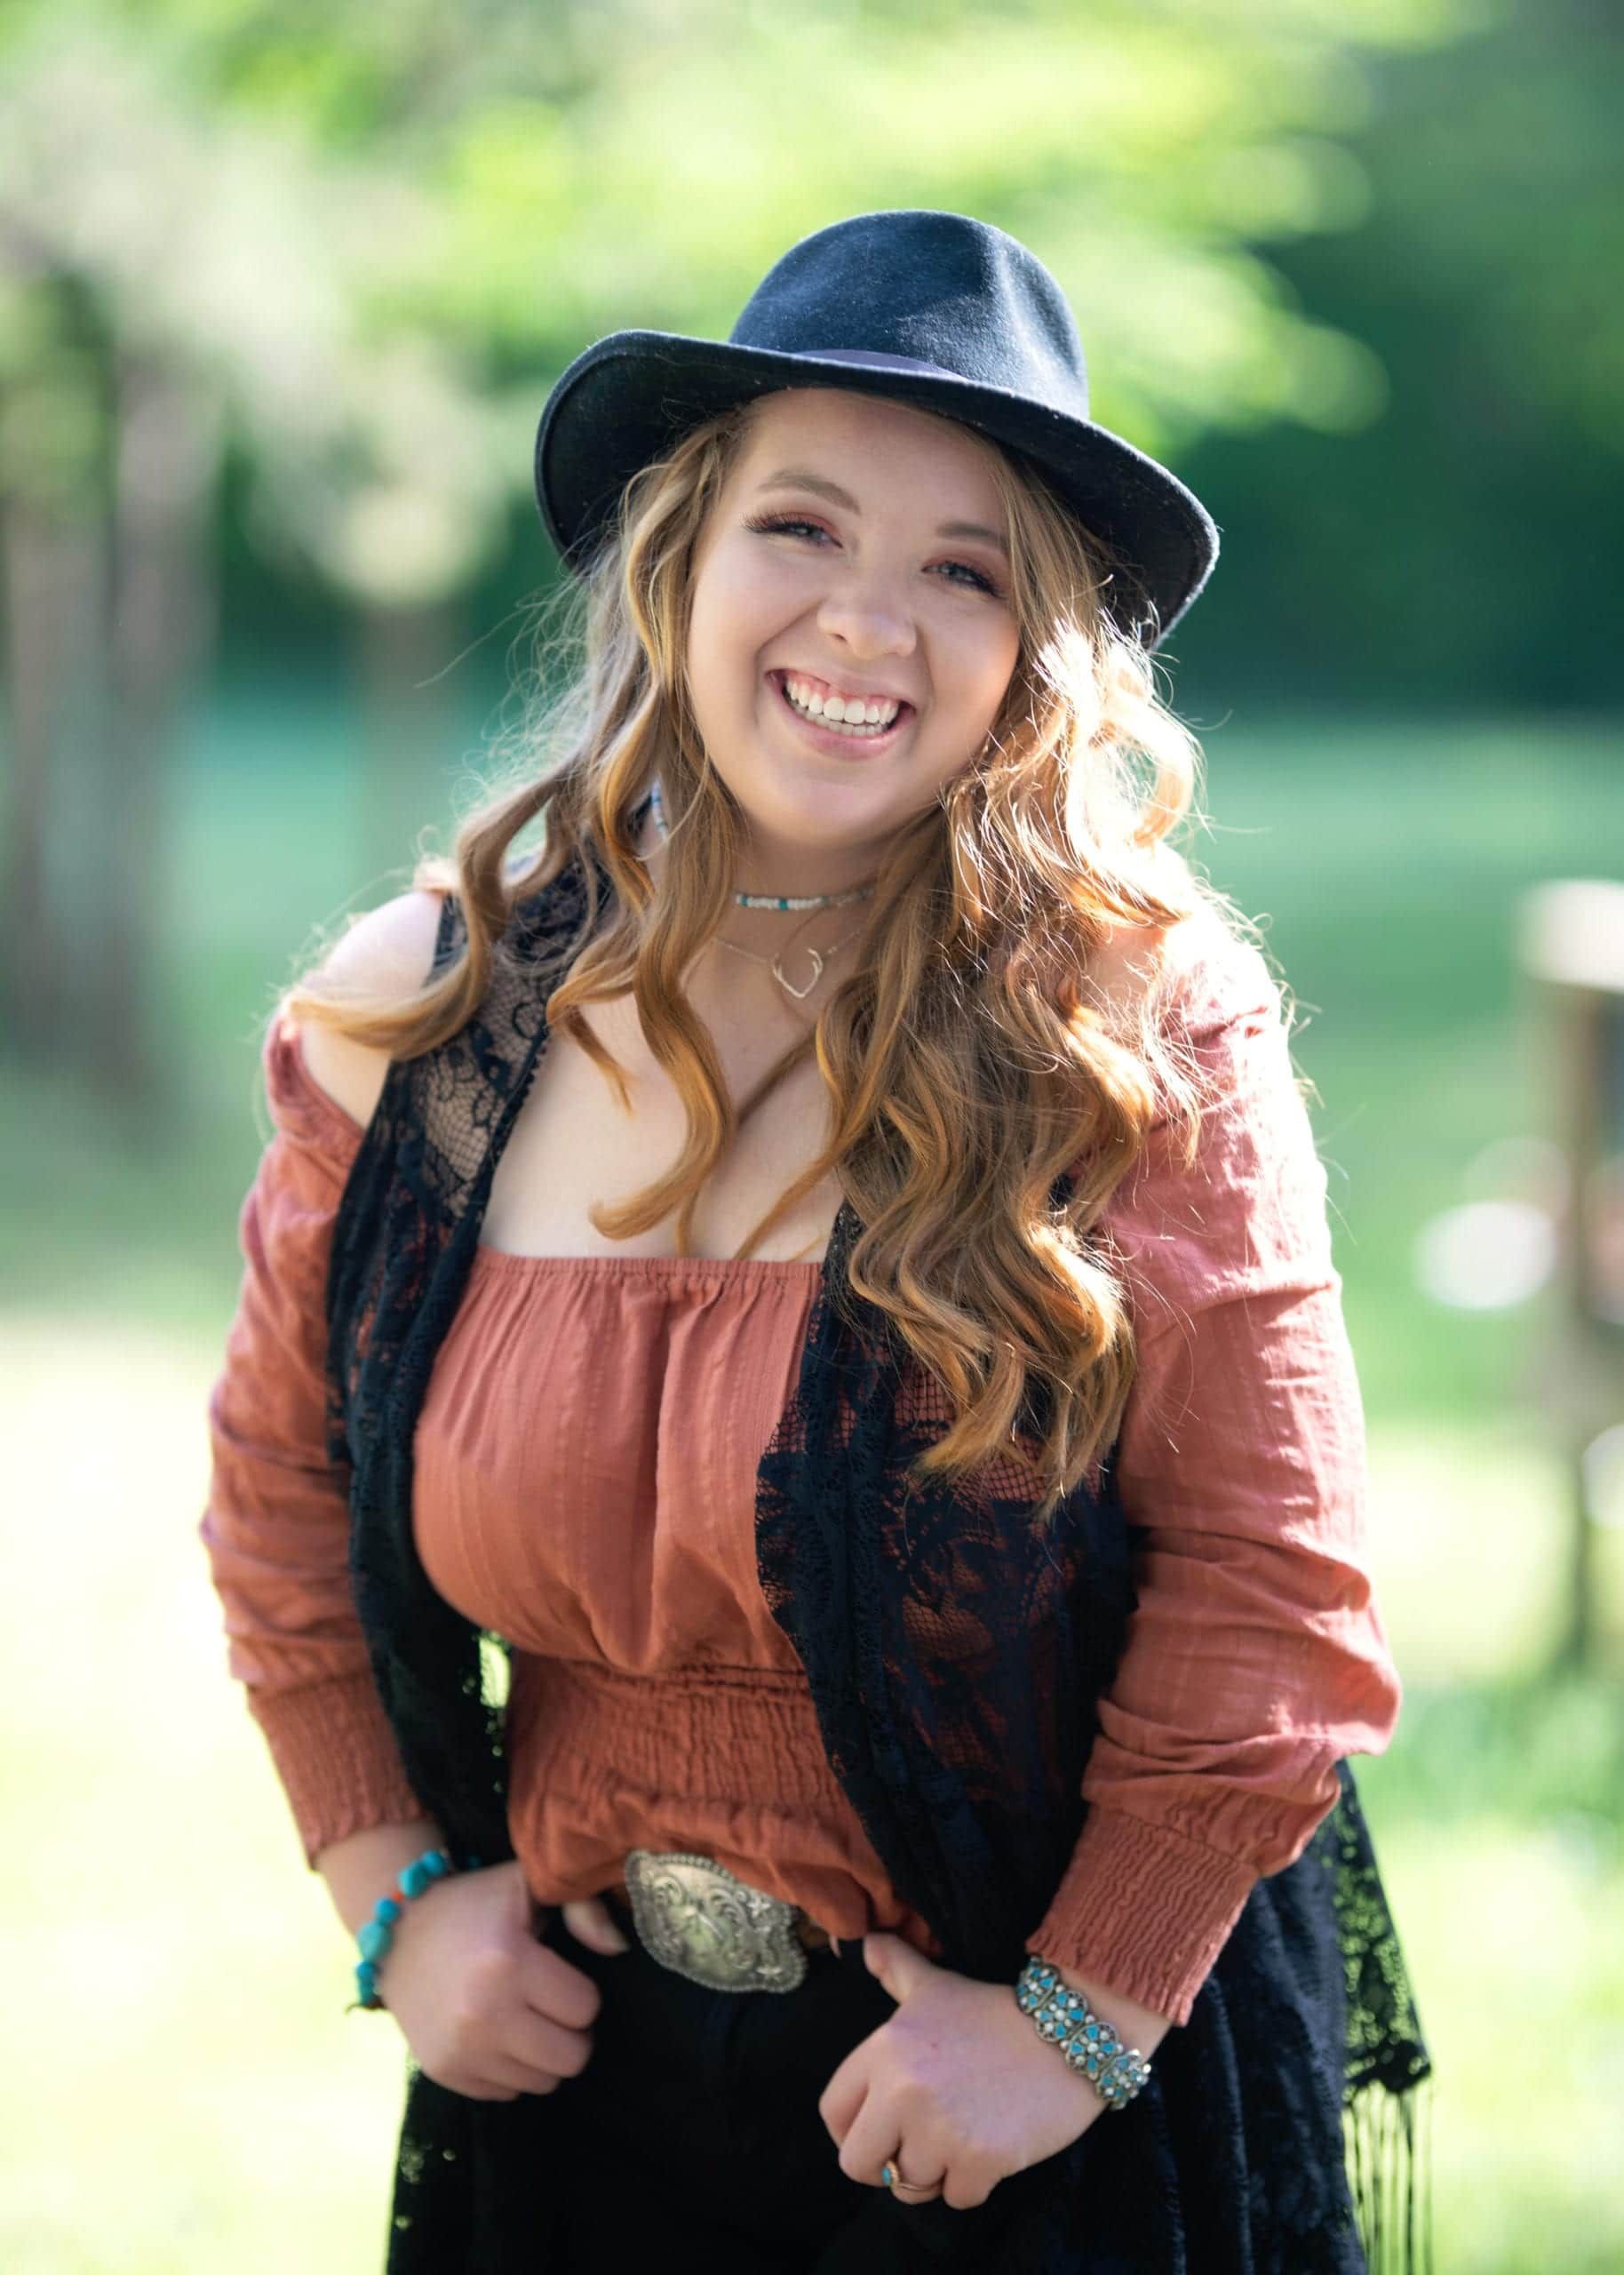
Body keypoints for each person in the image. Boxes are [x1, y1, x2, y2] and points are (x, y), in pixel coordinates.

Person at [200, 211, 1433, 2272]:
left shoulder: (1136, 1031)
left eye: (963, 566)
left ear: (1036, 648)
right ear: (675, 556)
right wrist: (394, 1889)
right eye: (803, 525)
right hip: (575, 2096)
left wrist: (1073, 2022)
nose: (869, 620)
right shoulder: (418, 1012)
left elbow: (1267, 1582)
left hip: (1031, 2119)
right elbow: (278, 1494)